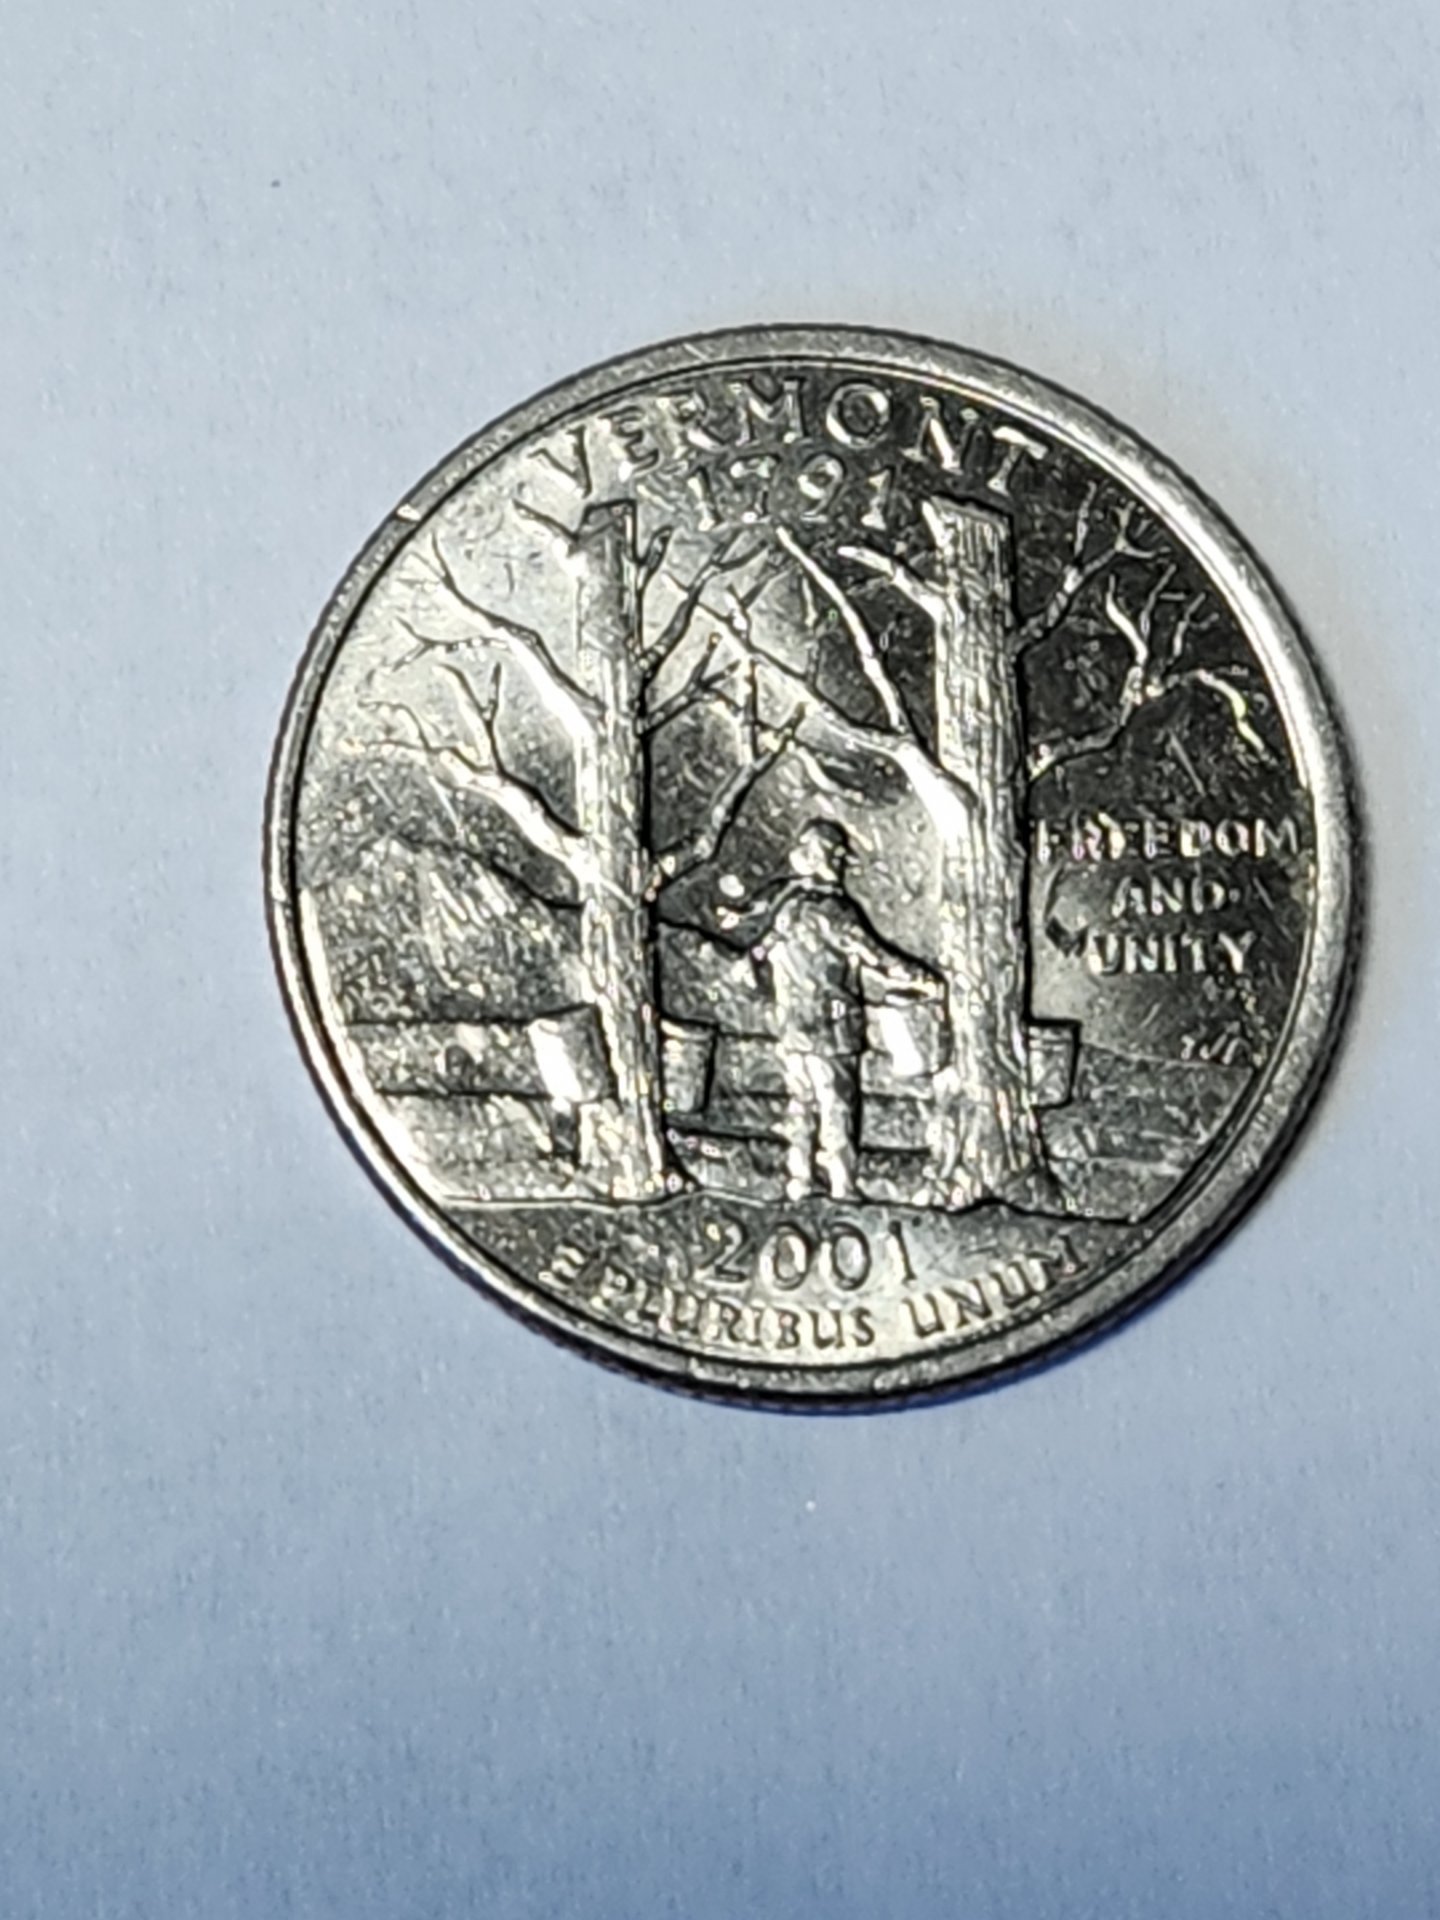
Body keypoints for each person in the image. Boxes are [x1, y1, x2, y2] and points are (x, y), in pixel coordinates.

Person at [746, 820, 940, 1202]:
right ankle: (842, 1185)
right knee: (836, 1104)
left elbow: (759, 956)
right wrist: (923, 980)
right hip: (831, 1026)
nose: (837, 864)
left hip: (793, 1026)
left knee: (801, 1104)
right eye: (834, 857)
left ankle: (800, 1180)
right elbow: (876, 958)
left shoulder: (789, 909)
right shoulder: (834, 912)